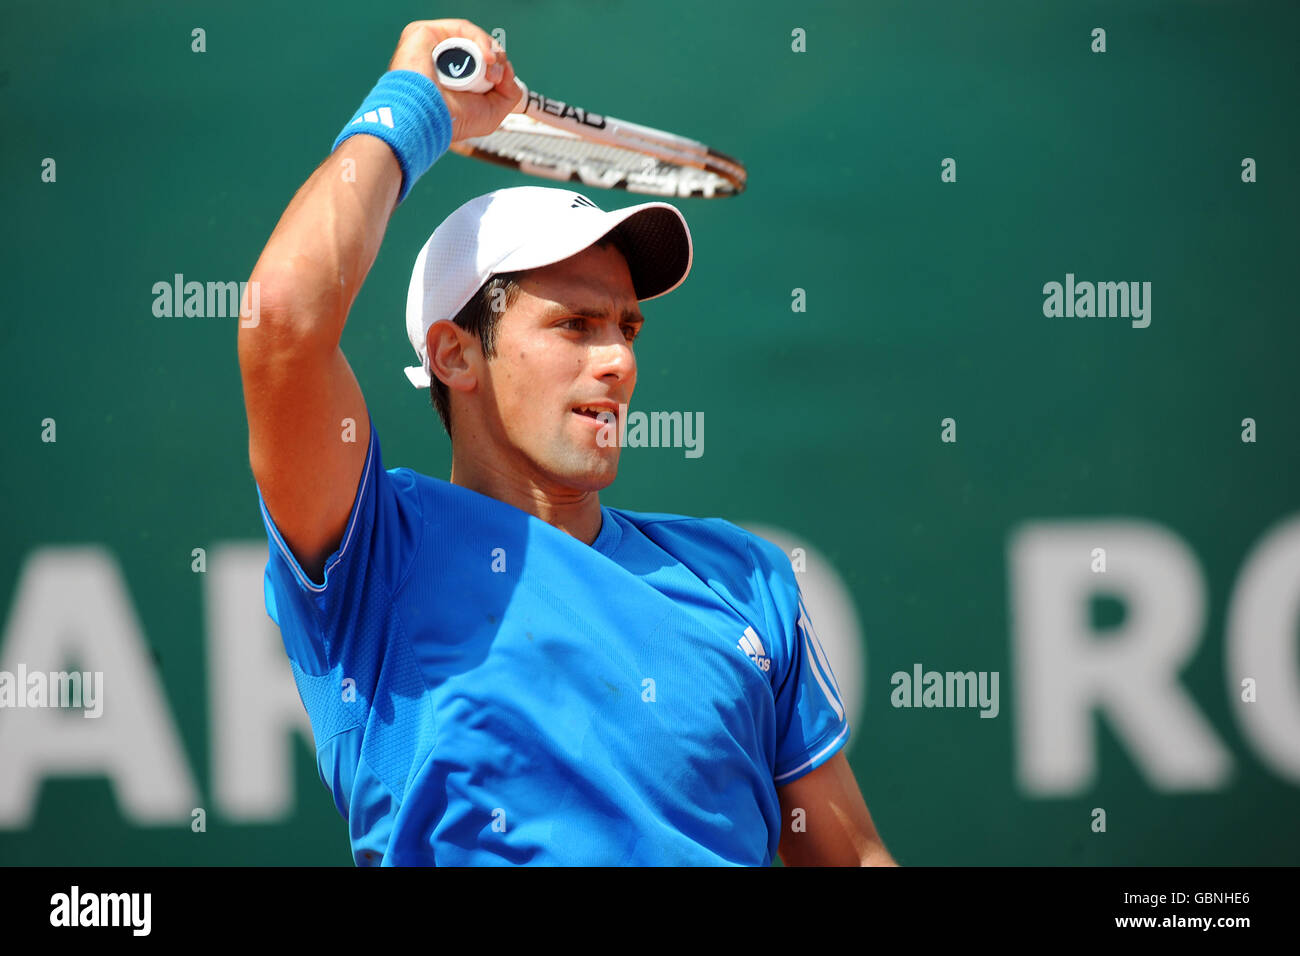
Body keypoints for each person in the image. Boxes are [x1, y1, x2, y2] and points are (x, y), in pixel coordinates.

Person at [238, 17, 896, 866]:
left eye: (627, 327)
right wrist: (412, 108)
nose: (618, 359)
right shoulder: (373, 557)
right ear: (455, 353)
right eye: (576, 326)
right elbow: (282, 322)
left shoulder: (744, 580)